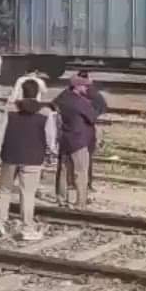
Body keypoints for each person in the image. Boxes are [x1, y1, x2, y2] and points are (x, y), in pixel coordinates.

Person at [0, 79, 58, 240]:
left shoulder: (10, 110)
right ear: (38, 93)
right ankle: (27, 228)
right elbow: (50, 137)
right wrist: (52, 153)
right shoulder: (45, 113)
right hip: (33, 158)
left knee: (4, 191)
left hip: (10, 155)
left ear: (21, 91)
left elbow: (0, 133)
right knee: (27, 194)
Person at [54, 75, 98, 208]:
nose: (87, 87)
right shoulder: (81, 102)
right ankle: (80, 202)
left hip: (64, 139)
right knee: (81, 171)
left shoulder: (62, 98)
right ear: (77, 86)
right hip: (79, 140)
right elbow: (92, 118)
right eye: (85, 85)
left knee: (63, 170)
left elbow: (54, 107)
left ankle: (61, 199)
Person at [79, 70, 107, 196]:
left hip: (75, 130)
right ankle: (87, 184)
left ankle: (71, 183)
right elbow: (103, 106)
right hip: (89, 129)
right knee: (88, 158)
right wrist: (93, 116)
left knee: (71, 159)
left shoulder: (71, 92)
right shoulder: (94, 93)